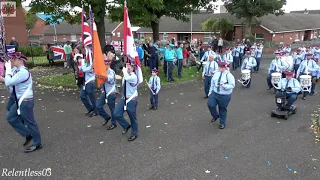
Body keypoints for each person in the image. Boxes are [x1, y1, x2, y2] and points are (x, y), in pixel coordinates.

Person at [0, 52, 42, 153]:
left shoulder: (23, 72)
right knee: (11, 118)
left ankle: (37, 143)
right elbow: (8, 82)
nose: (12, 60)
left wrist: (8, 71)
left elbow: (9, 81)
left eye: (14, 59)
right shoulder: (17, 70)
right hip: (20, 100)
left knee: (30, 122)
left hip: (26, 101)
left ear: (21, 61)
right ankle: (28, 134)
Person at [113, 59, 139, 141]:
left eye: (130, 66)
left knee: (132, 117)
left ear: (133, 68)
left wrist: (124, 70)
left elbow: (127, 78)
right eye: (127, 65)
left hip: (131, 99)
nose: (128, 67)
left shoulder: (134, 76)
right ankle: (126, 126)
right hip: (124, 98)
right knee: (116, 114)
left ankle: (134, 133)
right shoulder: (126, 74)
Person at [207, 61, 235, 129]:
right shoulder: (216, 74)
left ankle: (222, 123)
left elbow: (232, 85)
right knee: (210, 104)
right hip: (215, 93)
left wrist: (225, 86)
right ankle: (215, 115)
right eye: (219, 67)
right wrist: (210, 92)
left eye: (221, 67)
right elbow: (213, 83)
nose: (219, 68)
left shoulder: (229, 75)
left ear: (225, 68)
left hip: (224, 95)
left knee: (222, 109)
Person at [96, 53, 118, 130]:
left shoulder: (111, 72)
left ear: (108, 65)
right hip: (104, 92)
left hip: (111, 93)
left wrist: (100, 75)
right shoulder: (103, 72)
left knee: (112, 109)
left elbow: (107, 78)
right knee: (98, 106)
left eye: (105, 65)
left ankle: (114, 123)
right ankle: (106, 117)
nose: (104, 66)